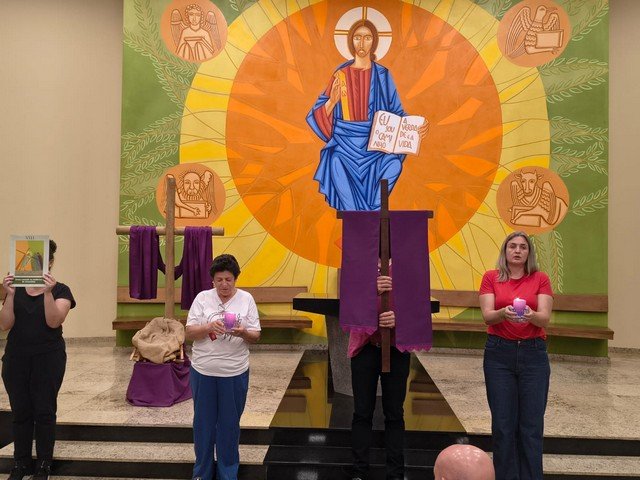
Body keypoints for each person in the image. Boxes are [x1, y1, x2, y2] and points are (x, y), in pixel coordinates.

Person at [307, 19, 428, 211]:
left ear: (374, 41)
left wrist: (415, 128)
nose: (362, 43)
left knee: (393, 165)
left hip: (376, 147)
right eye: (357, 37)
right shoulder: (340, 75)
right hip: (344, 146)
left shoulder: (383, 75)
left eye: (367, 37)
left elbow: (397, 113)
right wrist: (332, 101)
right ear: (351, 41)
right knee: (335, 161)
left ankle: (369, 214)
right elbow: (316, 114)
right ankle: (362, 219)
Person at [479, 231, 553, 479]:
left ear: (529, 253)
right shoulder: (491, 278)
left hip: (534, 354)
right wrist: (503, 313)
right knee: (503, 425)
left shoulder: (540, 278)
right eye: (513, 246)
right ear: (505, 251)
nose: (518, 251)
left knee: (531, 426)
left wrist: (531, 315)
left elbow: (544, 318)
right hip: (499, 354)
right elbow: (488, 316)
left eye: (523, 247)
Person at [1, 240, 76, 480]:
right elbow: (5, 324)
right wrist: (9, 295)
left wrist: (47, 292)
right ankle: (20, 463)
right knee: (20, 412)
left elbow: (54, 321)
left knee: (44, 411)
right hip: (16, 358)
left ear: (50, 263)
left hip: (48, 358)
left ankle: (44, 464)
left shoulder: (61, 290)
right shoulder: (15, 290)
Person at [185, 254, 261, 480]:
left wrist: (242, 332)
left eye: (228, 279)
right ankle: (202, 473)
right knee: (203, 425)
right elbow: (189, 333)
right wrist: (208, 326)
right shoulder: (202, 298)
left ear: (235, 279)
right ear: (213, 280)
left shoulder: (246, 299)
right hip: (204, 371)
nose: (224, 284)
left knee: (229, 425)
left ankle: (228, 473)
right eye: (219, 280)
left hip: (234, 372)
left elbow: (255, 335)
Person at [349, 262, 410, 480]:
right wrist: (371, 291)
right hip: (365, 348)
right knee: (362, 412)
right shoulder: (358, 262)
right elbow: (348, 304)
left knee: (394, 413)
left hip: (396, 349)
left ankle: (395, 474)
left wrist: (399, 319)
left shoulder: (408, 264)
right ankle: (359, 472)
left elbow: (418, 307)